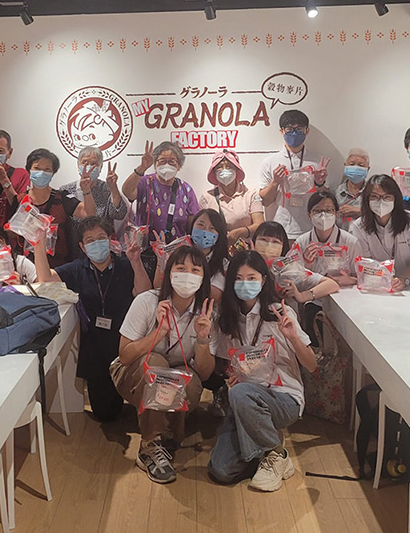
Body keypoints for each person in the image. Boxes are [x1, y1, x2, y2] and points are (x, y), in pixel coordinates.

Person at [207, 250, 316, 491]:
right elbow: (223, 365)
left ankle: (276, 452)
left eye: (251, 278)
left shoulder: (279, 313)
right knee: (221, 470)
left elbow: (312, 365)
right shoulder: (227, 319)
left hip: (284, 398)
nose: (245, 284)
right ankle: (264, 444)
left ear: (263, 280)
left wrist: (293, 337)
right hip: (244, 400)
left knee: (239, 394)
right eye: (238, 278)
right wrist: (231, 372)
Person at [33, 217, 152, 422]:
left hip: (127, 343)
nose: (96, 243)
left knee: (140, 405)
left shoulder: (125, 264)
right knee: (106, 414)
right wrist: (38, 244)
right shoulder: (77, 269)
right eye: (90, 240)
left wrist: (136, 262)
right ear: (82, 246)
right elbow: (45, 279)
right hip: (95, 349)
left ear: (110, 239)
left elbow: (144, 293)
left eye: (101, 237)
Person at [115, 246, 215, 484]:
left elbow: (204, 373)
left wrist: (203, 339)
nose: (187, 274)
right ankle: (150, 445)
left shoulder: (207, 313)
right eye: (180, 268)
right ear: (169, 273)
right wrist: (159, 333)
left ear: (203, 277)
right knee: (157, 364)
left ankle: (167, 437)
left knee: (186, 379)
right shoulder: (147, 301)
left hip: (176, 377)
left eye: (195, 270)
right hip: (132, 373)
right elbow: (124, 356)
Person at [349, 175, 410, 290]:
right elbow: (368, 263)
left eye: (387, 197)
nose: (381, 201)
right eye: (374, 197)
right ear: (367, 199)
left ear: (395, 199)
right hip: (381, 285)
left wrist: (403, 279)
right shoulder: (359, 226)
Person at [259, 110, 330, 239]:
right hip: (281, 227)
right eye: (289, 129)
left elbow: (326, 200)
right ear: (281, 131)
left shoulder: (318, 161)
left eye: (299, 129)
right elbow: (265, 201)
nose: (294, 133)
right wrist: (275, 182)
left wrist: (319, 183)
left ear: (307, 130)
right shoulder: (270, 162)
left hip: (312, 228)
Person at [124, 141, 200, 243]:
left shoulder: (186, 189)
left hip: (176, 248)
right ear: (155, 165)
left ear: (179, 166)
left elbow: (192, 223)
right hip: (146, 247)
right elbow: (127, 192)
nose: (167, 165)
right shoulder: (145, 182)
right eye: (162, 161)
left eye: (172, 161)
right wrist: (142, 168)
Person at [24, 149, 80, 268]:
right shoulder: (20, 200)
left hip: (59, 267)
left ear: (53, 173)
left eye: (47, 169)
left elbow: (89, 212)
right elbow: (11, 233)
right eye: (37, 168)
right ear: (28, 169)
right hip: (28, 267)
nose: (41, 173)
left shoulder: (62, 197)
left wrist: (87, 192)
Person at [294, 190, 361, 289]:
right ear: (309, 215)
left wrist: (351, 280)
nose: (323, 215)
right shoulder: (301, 242)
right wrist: (307, 264)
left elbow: (362, 277)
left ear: (336, 214)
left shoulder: (350, 242)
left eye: (328, 210)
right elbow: (296, 280)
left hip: (343, 293)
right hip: (313, 294)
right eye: (317, 211)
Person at [198, 149, 264, 245]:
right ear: (214, 172)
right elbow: (200, 227)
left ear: (236, 170)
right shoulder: (207, 197)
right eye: (219, 167)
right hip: (216, 248)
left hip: (244, 249)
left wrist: (240, 232)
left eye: (229, 166)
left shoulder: (251, 194)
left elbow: (260, 225)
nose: (224, 170)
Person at [60, 146, 128, 226]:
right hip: (73, 233)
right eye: (85, 162)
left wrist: (113, 188)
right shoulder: (66, 190)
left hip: (101, 233)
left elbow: (119, 215)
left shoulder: (106, 189)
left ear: (100, 167)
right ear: (78, 165)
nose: (89, 167)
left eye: (93, 164)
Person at [186, 208, 229, 301]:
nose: (205, 231)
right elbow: (160, 286)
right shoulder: (180, 253)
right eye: (200, 225)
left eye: (212, 228)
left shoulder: (224, 264)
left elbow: (214, 294)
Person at [335, 148, 370, 229]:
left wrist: (360, 211)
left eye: (360, 165)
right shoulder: (337, 191)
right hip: (341, 234)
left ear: (368, 169)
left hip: (365, 235)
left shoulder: (372, 191)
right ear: (345, 166)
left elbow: (380, 214)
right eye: (352, 164)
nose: (356, 168)